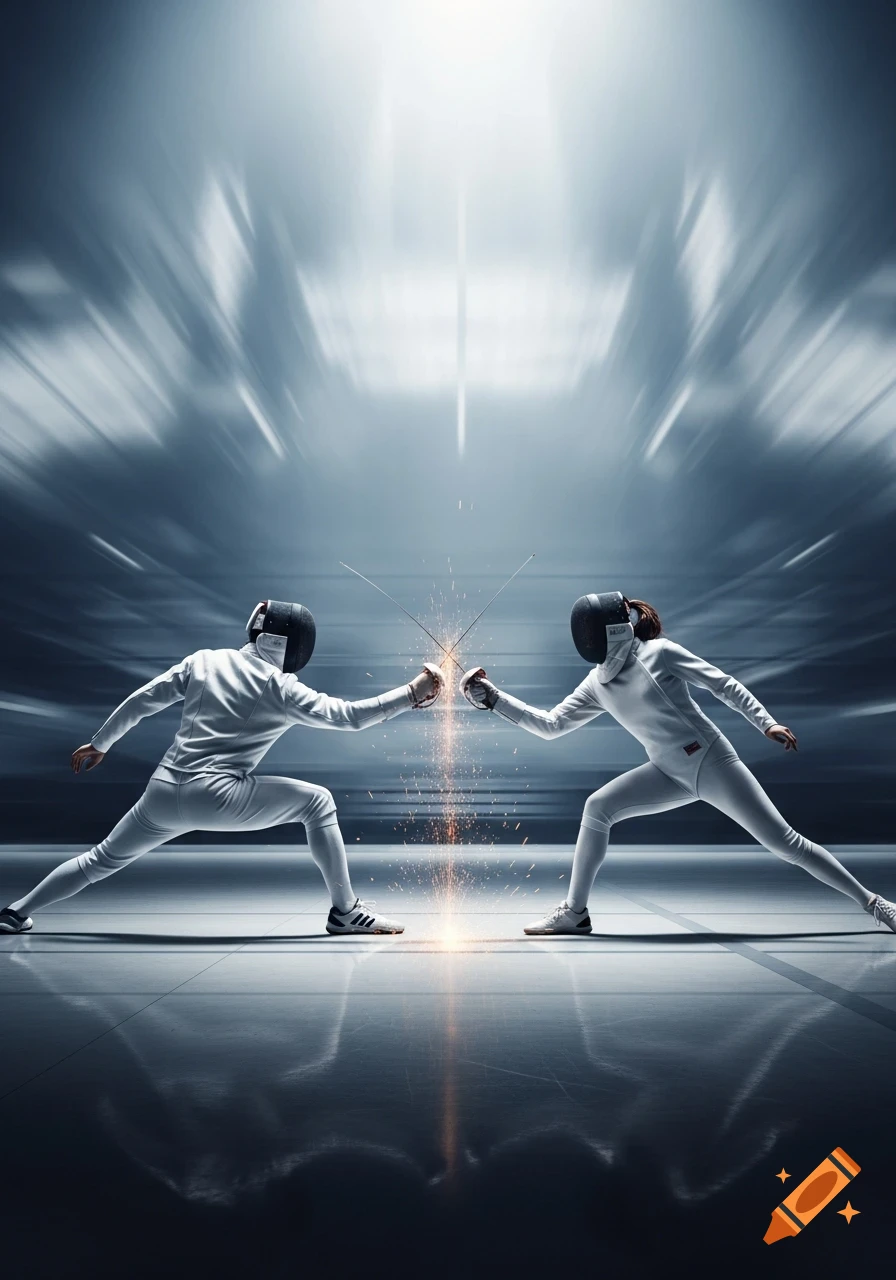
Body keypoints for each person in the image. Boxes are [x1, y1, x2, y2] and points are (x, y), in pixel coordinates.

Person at [460, 591, 896, 936]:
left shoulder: (659, 653)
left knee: (786, 843)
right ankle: (576, 913)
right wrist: (494, 699)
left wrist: (766, 724)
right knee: (598, 807)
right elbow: (551, 725)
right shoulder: (597, 684)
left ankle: (875, 904)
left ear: (606, 631)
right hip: (668, 772)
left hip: (712, 762)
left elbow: (721, 684)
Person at [1, 599, 445, 936]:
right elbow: (348, 717)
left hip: (162, 790)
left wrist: (100, 743)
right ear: (294, 645)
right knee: (318, 803)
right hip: (218, 797)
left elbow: (142, 701)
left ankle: (15, 912)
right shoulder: (280, 686)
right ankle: (345, 913)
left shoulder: (204, 660)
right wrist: (414, 691)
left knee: (99, 859)